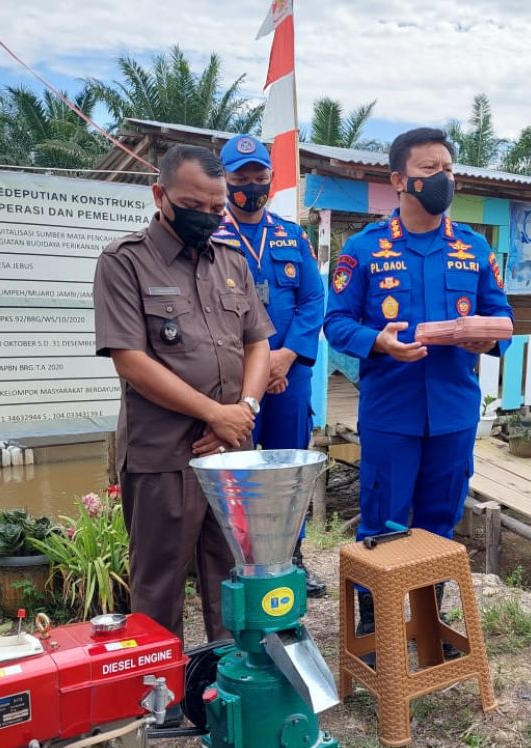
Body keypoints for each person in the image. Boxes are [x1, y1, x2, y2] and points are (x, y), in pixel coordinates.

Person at [324, 127, 513, 647]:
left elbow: (502, 317)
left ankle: (430, 621)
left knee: (440, 519)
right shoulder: (364, 249)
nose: (443, 179)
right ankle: (374, 622)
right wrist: (378, 342)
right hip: (392, 412)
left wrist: (485, 338)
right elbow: (336, 322)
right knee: (383, 518)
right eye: (431, 170)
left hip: (453, 410)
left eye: (449, 169)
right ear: (399, 180)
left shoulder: (473, 249)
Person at [93, 144, 274, 643]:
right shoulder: (124, 263)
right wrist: (215, 413)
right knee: (159, 580)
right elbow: (130, 360)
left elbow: (258, 341)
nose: (208, 218)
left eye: (217, 208)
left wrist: (244, 409)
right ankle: (160, 696)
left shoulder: (231, 262)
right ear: (160, 194)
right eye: (194, 207)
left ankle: (226, 678)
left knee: (232, 572)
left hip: (230, 450)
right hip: (165, 454)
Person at [213, 134, 328, 598]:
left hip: (289, 374)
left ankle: (290, 559)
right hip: (232, 379)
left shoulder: (291, 235)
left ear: (271, 179)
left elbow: (313, 298)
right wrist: (256, 367)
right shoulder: (211, 235)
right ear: (225, 180)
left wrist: (285, 357)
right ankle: (238, 561)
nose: (251, 186)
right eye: (241, 178)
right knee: (236, 469)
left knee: (288, 468)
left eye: (259, 177)